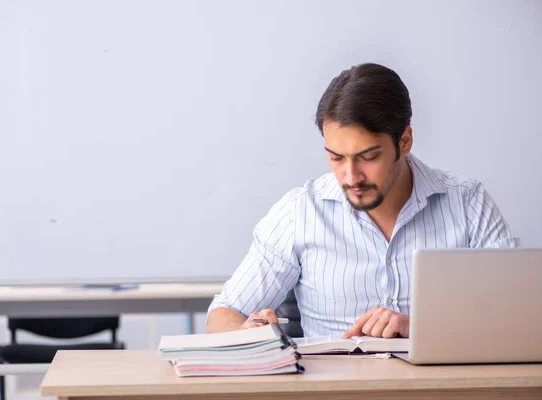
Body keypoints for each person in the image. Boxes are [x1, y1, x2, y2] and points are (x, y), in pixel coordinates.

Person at [205, 63, 519, 338]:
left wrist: (421, 326)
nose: (351, 176)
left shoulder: (468, 203)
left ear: (404, 141)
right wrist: (244, 331)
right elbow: (223, 315)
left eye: (368, 157)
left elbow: (519, 315)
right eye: (336, 158)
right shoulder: (298, 212)